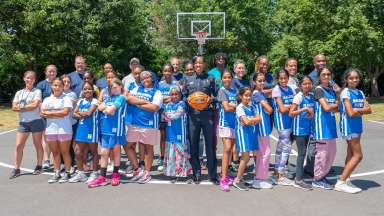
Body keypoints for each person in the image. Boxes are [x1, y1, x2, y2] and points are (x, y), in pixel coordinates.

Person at [335, 68, 371, 193]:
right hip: (348, 127)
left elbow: (369, 109)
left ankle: (346, 179)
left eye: (356, 77)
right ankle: (341, 182)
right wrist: (360, 111)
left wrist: (358, 111)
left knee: (351, 154)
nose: (354, 80)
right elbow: (350, 113)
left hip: (357, 126)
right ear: (346, 80)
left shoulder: (360, 92)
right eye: (351, 78)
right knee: (358, 155)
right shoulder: (345, 92)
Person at [184, 56, 218, 184]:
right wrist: (187, 100)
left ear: (204, 65)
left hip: (207, 116)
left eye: (201, 63)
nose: (198, 65)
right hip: (193, 116)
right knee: (193, 145)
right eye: (196, 63)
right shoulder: (187, 80)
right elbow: (182, 96)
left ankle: (212, 174)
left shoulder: (211, 79)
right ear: (193, 65)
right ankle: (196, 173)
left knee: (210, 145)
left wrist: (211, 100)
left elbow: (217, 95)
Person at [126, 71, 163, 184]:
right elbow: (128, 98)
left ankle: (147, 173)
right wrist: (144, 102)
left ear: (152, 78)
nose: (144, 80)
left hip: (149, 124)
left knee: (148, 149)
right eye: (142, 78)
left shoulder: (157, 92)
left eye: (146, 77)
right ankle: (137, 170)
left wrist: (137, 103)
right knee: (127, 146)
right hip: (134, 123)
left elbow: (154, 108)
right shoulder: (136, 89)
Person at [88, 78, 126, 188]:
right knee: (104, 153)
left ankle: (115, 175)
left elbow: (109, 110)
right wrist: (107, 108)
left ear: (120, 87)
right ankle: (102, 177)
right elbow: (101, 108)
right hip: (105, 129)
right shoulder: (108, 97)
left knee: (116, 152)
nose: (113, 89)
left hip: (116, 129)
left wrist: (107, 109)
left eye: (115, 87)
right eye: (111, 87)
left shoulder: (121, 98)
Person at [9, 71, 44, 179]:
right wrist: (25, 107)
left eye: (32, 78)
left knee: (37, 144)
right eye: (27, 78)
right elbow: (13, 107)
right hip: (23, 122)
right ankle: (16, 168)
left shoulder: (37, 91)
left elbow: (34, 105)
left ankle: (39, 166)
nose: (29, 80)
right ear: (24, 79)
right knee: (19, 146)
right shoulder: (19, 93)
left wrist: (21, 107)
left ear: (34, 80)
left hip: (36, 121)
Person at [312, 66, 340, 190]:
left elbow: (337, 108)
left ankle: (323, 175)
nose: (326, 76)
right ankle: (317, 179)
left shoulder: (331, 90)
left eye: (328, 74)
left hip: (331, 126)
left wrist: (338, 94)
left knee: (332, 153)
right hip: (321, 127)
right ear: (319, 77)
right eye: (324, 74)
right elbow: (326, 108)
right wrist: (336, 104)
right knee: (322, 155)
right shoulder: (318, 90)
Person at [41, 78, 73, 183]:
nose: (57, 87)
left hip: (64, 129)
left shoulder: (66, 98)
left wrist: (50, 113)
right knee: (55, 152)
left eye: (59, 85)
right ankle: (57, 172)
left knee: (65, 152)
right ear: (52, 86)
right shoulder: (46, 100)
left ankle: (67, 172)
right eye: (55, 85)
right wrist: (57, 113)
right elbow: (42, 113)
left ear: (63, 87)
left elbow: (65, 113)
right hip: (51, 130)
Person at [69, 81, 99, 183]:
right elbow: (73, 114)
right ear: (82, 91)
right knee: (77, 151)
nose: (87, 90)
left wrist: (80, 113)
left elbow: (89, 114)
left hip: (92, 129)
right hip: (81, 129)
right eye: (85, 89)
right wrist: (82, 113)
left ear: (93, 90)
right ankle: (81, 173)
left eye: (89, 88)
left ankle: (94, 172)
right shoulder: (80, 101)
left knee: (94, 152)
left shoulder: (95, 101)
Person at [289, 76, 315, 190]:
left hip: (308, 129)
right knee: (302, 153)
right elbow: (291, 113)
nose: (307, 86)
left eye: (309, 83)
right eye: (305, 84)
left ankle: (301, 173)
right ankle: (298, 179)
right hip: (299, 130)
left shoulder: (311, 96)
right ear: (301, 86)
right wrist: (304, 110)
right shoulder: (298, 97)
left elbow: (312, 111)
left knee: (305, 152)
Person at [233, 87, 261, 191]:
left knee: (247, 157)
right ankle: (237, 180)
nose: (248, 97)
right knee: (245, 157)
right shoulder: (240, 107)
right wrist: (251, 120)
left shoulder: (252, 107)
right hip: (243, 134)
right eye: (245, 95)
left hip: (250, 134)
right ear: (241, 96)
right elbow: (246, 121)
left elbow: (259, 119)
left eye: (249, 95)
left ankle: (239, 178)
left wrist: (250, 119)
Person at [163, 86, 192, 182]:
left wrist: (168, 115)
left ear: (180, 95)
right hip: (170, 133)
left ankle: (184, 173)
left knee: (181, 153)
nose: (174, 96)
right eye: (172, 94)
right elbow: (164, 116)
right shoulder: (167, 105)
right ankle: (172, 173)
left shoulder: (182, 104)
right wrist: (167, 115)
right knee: (171, 153)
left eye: (176, 94)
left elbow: (176, 115)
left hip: (180, 133)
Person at [272, 68, 295, 186]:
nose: (283, 80)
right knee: (287, 147)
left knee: (281, 147)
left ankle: (277, 171)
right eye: (281, 78)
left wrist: (288, 107)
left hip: (290, 121)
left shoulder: (290, 89)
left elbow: (293, 106)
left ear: (288, 78)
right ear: (278, 79)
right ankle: (281, 174)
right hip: (282, 122)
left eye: (285, 78)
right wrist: (290, 107)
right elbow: (281, 109)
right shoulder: (276, 90)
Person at [251, 73, 273, 189]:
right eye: (259, 81)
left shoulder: (260, 93)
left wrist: (268, 110)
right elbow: (269, 109)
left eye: (263, 81)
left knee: (263, 153)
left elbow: (269, 111)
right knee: (265, 153)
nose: (262, 83)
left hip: (264, 126)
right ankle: (259, 178)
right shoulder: (256, 94)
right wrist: (268, 109)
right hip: (261, 127)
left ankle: (261, 176)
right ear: (254, 82)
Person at [217, 70, 237, 191]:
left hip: (235, 124)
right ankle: (223, 178)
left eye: (229, 77)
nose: (227, 79)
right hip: (225, 124)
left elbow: (236, 105)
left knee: (231, 150)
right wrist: (236, 107)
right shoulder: (222, 91)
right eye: (225, 77)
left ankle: (226, 174)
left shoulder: (235, 91)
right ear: (221, 79)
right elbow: (226, 107)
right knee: (227, 149)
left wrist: (233, 106)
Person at [36, 64, 57, 170]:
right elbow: (39, 100)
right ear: (45, 72)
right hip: (45, 115)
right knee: (47, 138)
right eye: (50, 71)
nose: (52, 73)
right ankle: (47, 160)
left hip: (58, 115)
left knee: (57, 138)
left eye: (54, 71)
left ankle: (57, 160)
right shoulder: (41, 85)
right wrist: (42, 111)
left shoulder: (59, 82)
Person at [158, 64, 177, 172]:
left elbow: (176, 98)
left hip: (173, 114)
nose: (167, 73)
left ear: (172, 72)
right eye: (165, 71)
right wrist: (167, 98)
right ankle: (162, 158)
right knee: (163, 137)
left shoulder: (175, 84)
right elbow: (159, 99)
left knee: (172, 136)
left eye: (169, 71)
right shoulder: (159, 84)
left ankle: (172, 159)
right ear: (163, 72)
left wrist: (165, 98)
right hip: (162, 113)